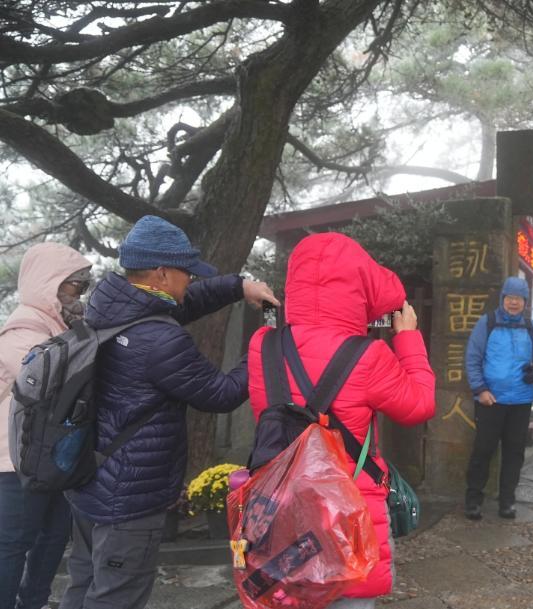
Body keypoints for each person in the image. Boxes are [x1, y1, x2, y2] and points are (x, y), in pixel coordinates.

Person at [61, 215, 278, 609]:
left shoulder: (108, 309)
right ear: (161, 274)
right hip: (129, 499)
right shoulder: (161, 340)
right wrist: (262, 346)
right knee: (115, 599)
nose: (190, 281)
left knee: (83, 587)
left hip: (92, 483)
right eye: (185, 273)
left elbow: (186, 302)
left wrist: (238, 286)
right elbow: (223, 394)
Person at [247, 232, 435, 608]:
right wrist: (409, 338)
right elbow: (420, 405)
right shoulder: (368, 356)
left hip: (283, 517)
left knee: (289, 596)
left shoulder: (263, 344)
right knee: (348, 599)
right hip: (347, 520)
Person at [0, 243, 92, 609]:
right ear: (47, 284)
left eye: (82, 287)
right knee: (13, 544)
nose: (78, 296)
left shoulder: (61, 328)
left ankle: (32, 602)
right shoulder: (22, 330)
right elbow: (51, 376)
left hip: (52, 459)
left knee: (53, 539)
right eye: (72, 286)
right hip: (15, 463)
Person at [464, 277, 533, 521]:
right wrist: (480, 390)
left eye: (518, 299)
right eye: (509, 298)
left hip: (520, 401)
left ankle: (507, 501)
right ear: (502, 299)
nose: (513, 303)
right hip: (491, 400)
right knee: (483, 450)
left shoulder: (530, 327)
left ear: (525, 302)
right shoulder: (487, 323)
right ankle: (473, 500)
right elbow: (472, 358)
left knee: (514, 453)